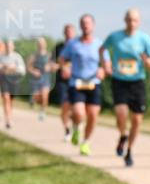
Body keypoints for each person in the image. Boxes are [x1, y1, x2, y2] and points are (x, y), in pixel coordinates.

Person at [100, 8, 150, 167]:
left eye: (135, 20)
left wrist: (148, 62)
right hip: (119, 80)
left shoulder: (144, 39)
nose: (132, 23)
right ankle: (123, 134)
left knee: (137, 120)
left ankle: (129, 150)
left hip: (137, 82)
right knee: (121, 112)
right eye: (129, 20)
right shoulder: (115, 36)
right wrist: (106, 64)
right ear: (125, 20)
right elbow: (102, 49)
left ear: (139, 22)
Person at [60, 14, 105, 156]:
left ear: (93, 25)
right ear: (80, 26)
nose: (86, 25)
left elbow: (106, 63)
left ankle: (85, 142)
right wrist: (65, 68)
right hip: (76, 82)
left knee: (93, 115)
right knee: (79, 113)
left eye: (88, 23)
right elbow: (62, 59)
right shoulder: (73, 44)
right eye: (83, 23)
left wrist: (103, 70)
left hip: (93, 82)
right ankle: (76, 127)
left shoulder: (99, 44)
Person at [53, 24, 76, 141]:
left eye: (71, 32)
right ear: (64, 33)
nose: (69, 34)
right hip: (61, 81)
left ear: (74, 33)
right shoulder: (59, 47)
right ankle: (67, 130)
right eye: (67, 32)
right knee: (64, 106)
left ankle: (75, 126)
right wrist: (56, 66)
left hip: (75, 80)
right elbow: (53, 62)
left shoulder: (78, 46)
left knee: (75, 107)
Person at [0, 39, 27, 129]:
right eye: (7, 46)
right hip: (4, 79)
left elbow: (22, 70)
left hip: (14, 79)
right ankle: (8, 120)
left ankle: (9, 116)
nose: (8, 47)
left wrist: (13, 67)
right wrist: (2, 67)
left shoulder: (17, 57)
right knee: (6, 98)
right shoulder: (1, 57)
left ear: (13, 47)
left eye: (10, 46)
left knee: (10, 100)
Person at [28, 37, 53, 121]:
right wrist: (33, 71)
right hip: (35, 79)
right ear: (37, 45)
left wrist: (49, 67)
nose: (41, 45)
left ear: (45, 44)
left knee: (45, 95)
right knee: (37, 96)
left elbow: (53, 66)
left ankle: (42, 112)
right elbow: (29, 67)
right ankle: (33, 99)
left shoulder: (49, 55)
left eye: (42, 43)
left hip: (45, 78)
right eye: (39, 43)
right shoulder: (33, 55)